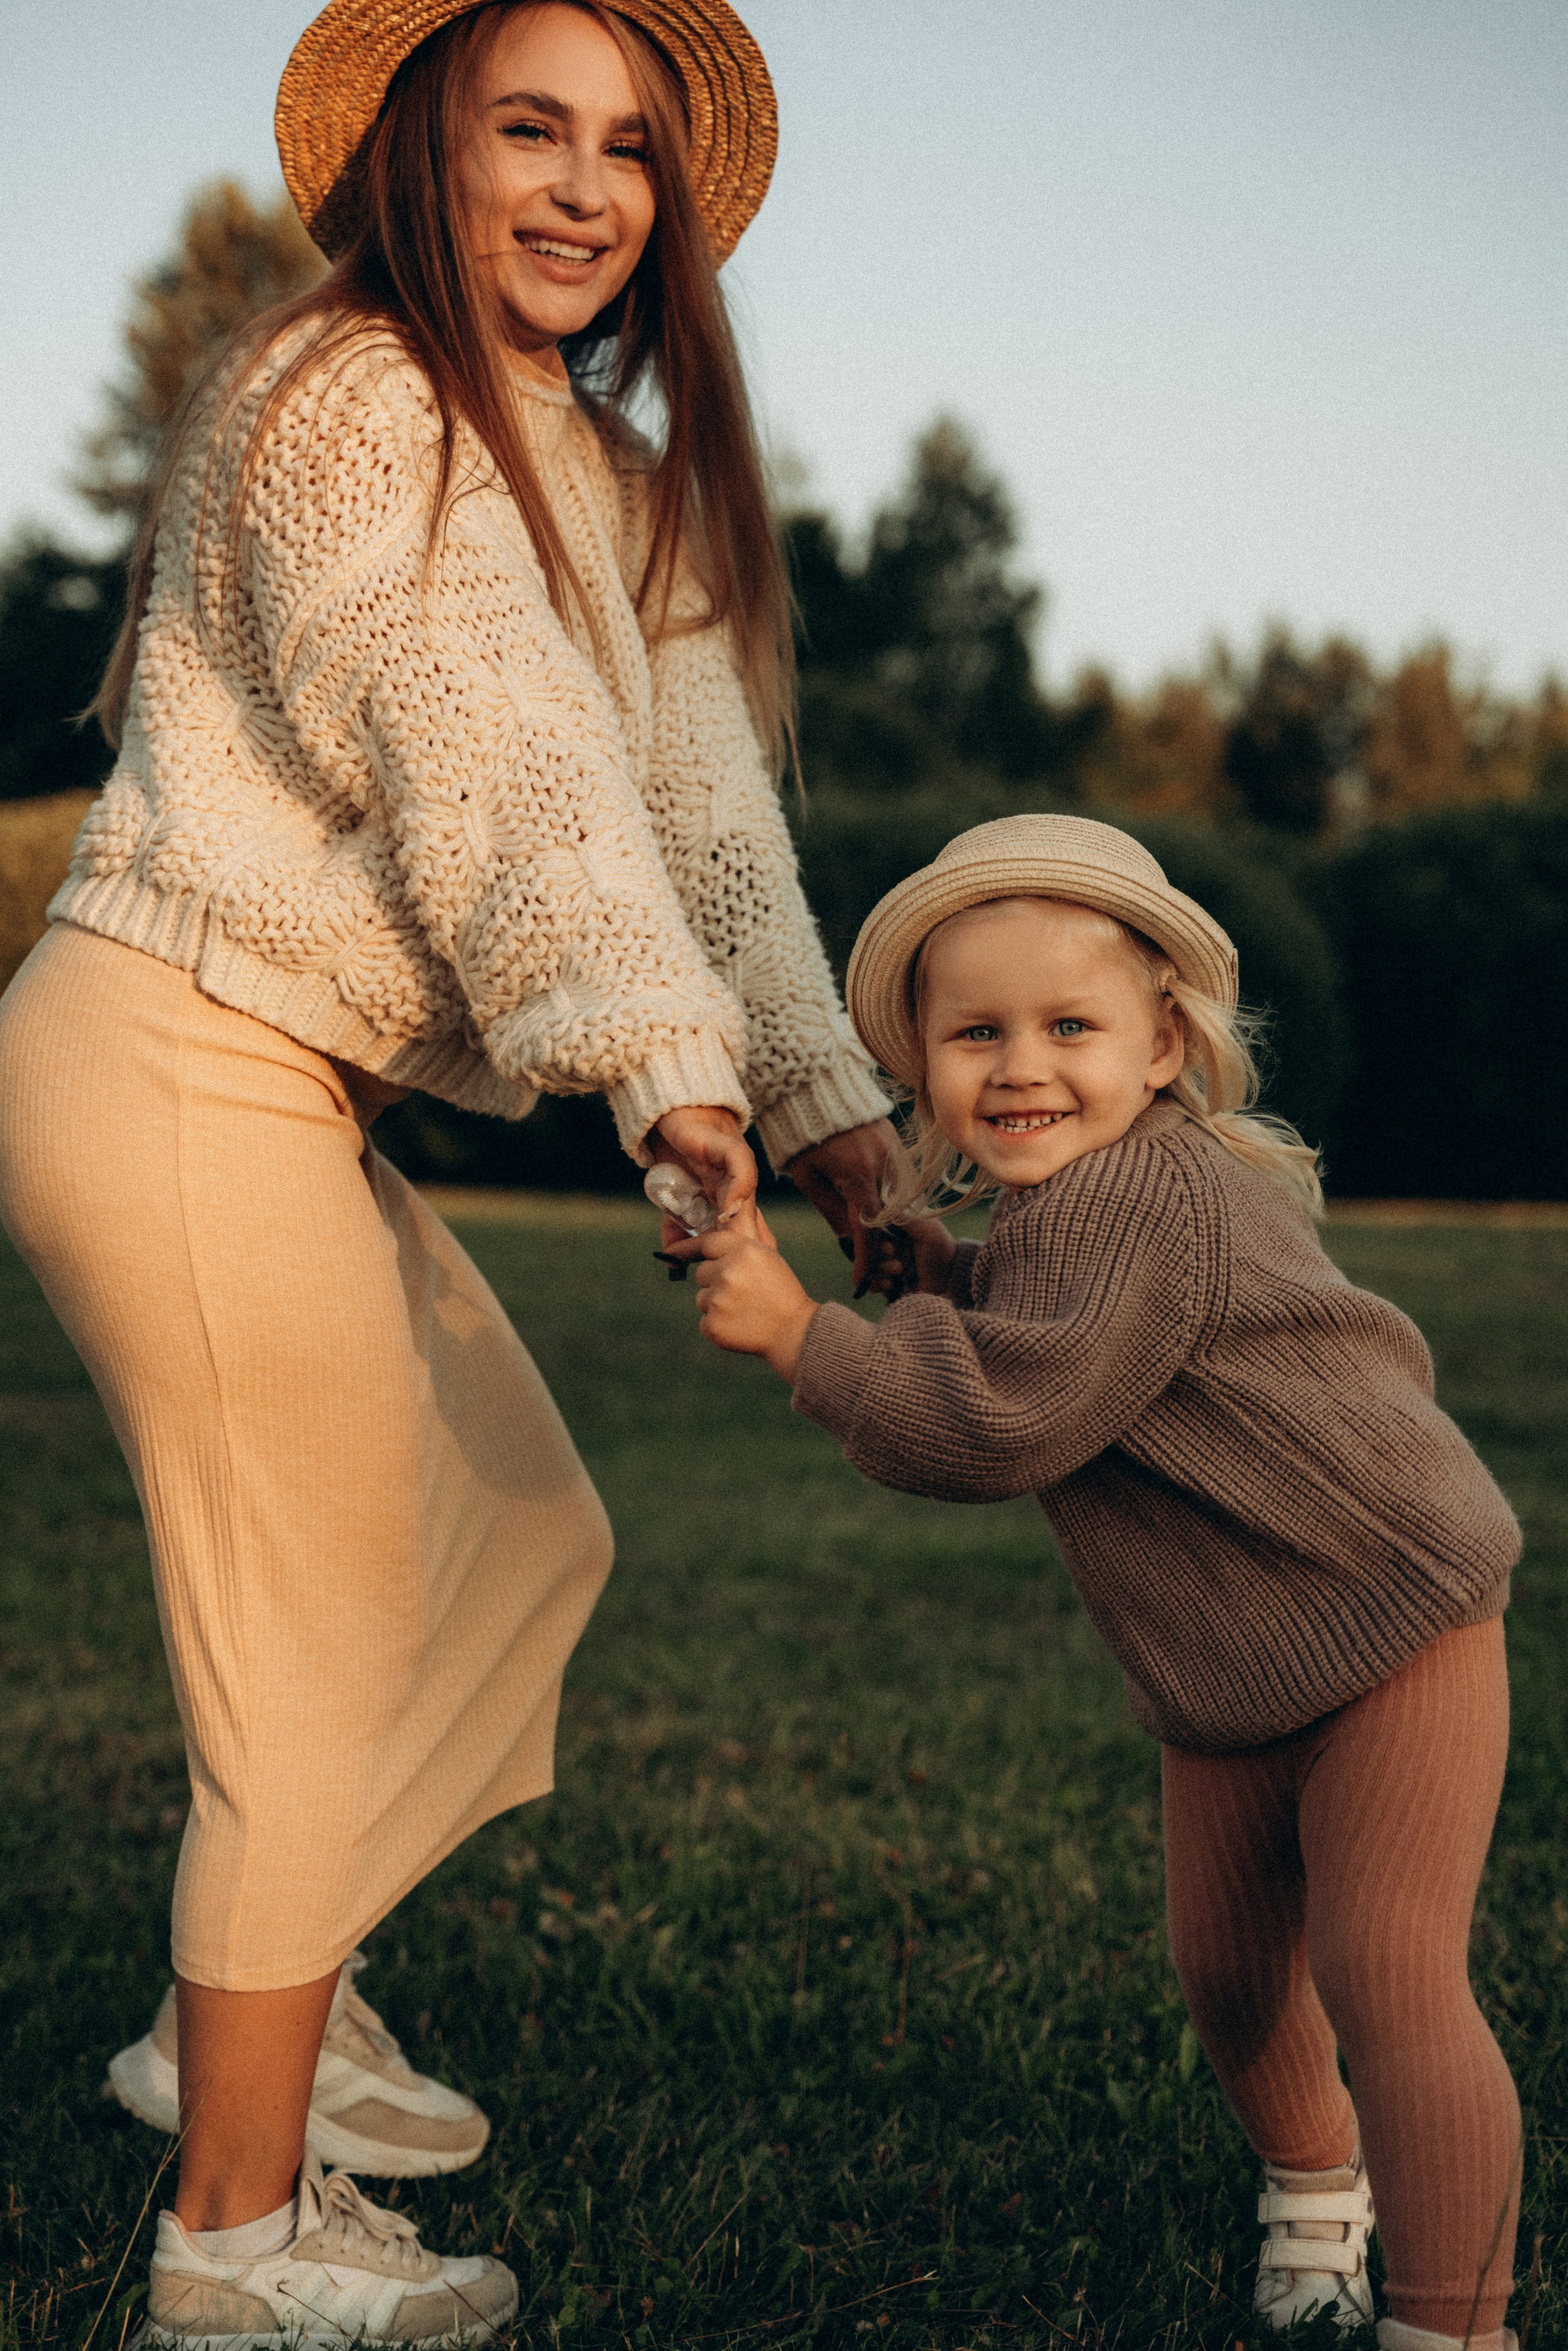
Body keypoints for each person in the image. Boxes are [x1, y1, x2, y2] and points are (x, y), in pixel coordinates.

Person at [0, 1, 899, 2340]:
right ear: (427, 145)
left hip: (282, 1082)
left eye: (630, 151)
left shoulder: (605, 478)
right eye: (533, 127)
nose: (590, 187)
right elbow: (502, 778)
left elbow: (697, 819)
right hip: (170, 1048)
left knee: (519, 1527)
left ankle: (263, 1992)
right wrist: (660, 1076)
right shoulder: (348, 400)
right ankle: (232, 2234)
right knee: (306, 1668)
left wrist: (835, 1119)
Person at [687, 812, 1524, 2351]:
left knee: (1383, 1965)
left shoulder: (1140, 1193)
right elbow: (1061, 1327)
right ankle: (1313, 2194)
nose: (1019, 1064)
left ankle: (1449, 2323)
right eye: (975, 1032)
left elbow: (1002, 1417)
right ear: (923, 1060)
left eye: (1068, 1025)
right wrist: (945, 1276)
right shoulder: (1077, 1204)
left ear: (1160, 1048)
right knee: (1224, 1970)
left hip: (1390, 1615)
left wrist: (796, 1334)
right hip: (1231, 1661)